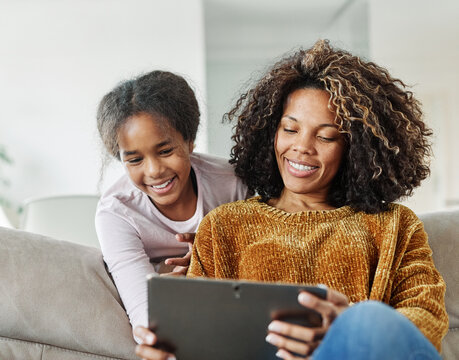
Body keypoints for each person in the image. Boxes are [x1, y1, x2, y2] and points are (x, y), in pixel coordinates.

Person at [134, 40, 448, 360]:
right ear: (272, 131)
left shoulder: (394, 224)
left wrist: (347, 325)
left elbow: (427, 321)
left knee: (367, 318)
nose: (301, 147)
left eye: (325, 136)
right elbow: (199, 340)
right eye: (289, 129)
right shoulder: (224, 225)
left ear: (355, 147)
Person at [95, 70, 248, 342]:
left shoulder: (232, 183)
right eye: (134, 160)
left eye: (165, 151)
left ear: (189, 141)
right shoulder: (116, 212)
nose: (154, 171)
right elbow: (142, 309)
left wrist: (208, 262)